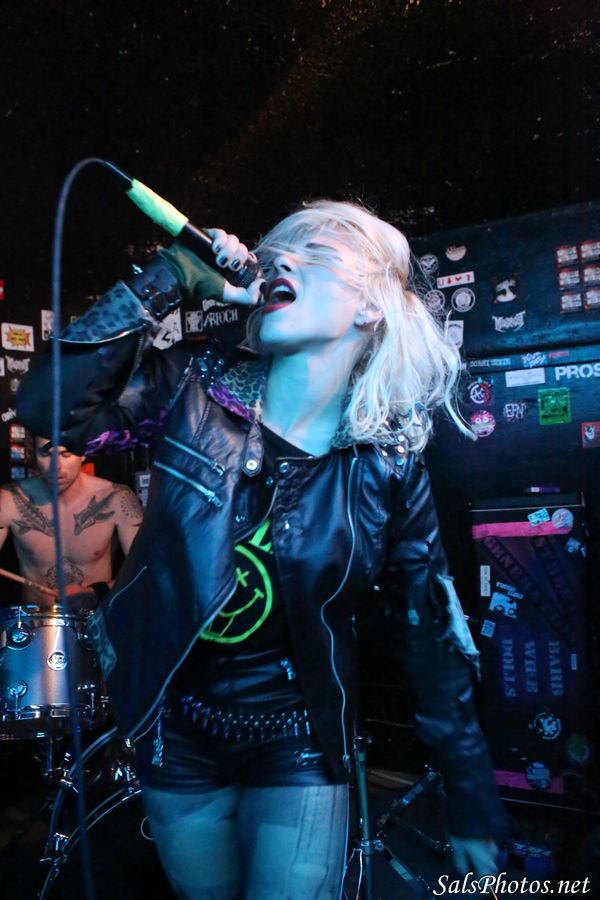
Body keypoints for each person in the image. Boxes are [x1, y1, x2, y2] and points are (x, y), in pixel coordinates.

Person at [17, 200, 509, 899]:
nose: (283, 262)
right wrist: (167, 278)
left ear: (371, 307)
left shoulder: (386, 465)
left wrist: (470, 795)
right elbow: (48, 408)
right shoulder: (195, 387)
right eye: (278, 253)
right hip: (176, 726)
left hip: (298, 731)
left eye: (317, 253)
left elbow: (428, 631)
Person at [0, 435, 143, 608]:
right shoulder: (9, 499)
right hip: (37, 620)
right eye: (46, 454)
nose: (56, 467)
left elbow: (146, 572)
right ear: (32, 454)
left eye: (66, 454)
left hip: (97, 618)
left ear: (83, 454)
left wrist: (95, 593)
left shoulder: (117, 498)